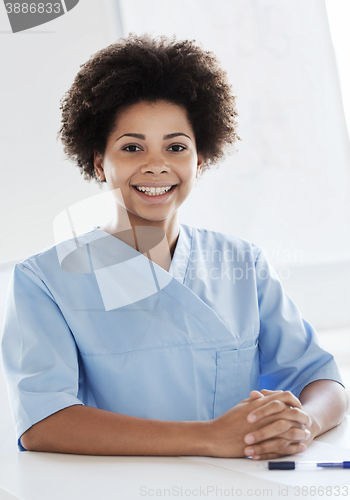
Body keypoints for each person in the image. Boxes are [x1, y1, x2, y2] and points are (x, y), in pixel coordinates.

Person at [1, 34, 348, 461]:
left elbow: (320, 377)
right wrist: (209, 437)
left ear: (199, 160)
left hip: (245, 486)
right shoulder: (45, 280)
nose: (156, 164)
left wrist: (304, 424)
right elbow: (43, 421)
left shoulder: (242, 262)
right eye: (132, 147)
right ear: (98, 160)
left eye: (176, 147)